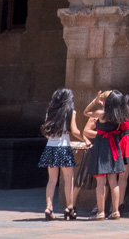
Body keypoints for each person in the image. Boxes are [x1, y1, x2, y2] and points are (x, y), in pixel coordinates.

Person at [38, 87, 86, 220]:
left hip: (51, 147)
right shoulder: (70, 112)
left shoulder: (50, 112)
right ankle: (69, 207)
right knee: (68, 178)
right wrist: (85, 139)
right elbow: (75, 130)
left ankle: (48, 207)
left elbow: (47, 133)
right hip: (64, 147)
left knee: (52, 180)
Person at [83, 90, 128, 219]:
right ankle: (115, 211)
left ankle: (101, 212)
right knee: (114, 181)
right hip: (114, 146)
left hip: (101, 146)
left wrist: (95, 101)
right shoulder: (119, 115)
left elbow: (85, 112)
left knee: (101, 182)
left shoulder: (102, 114)